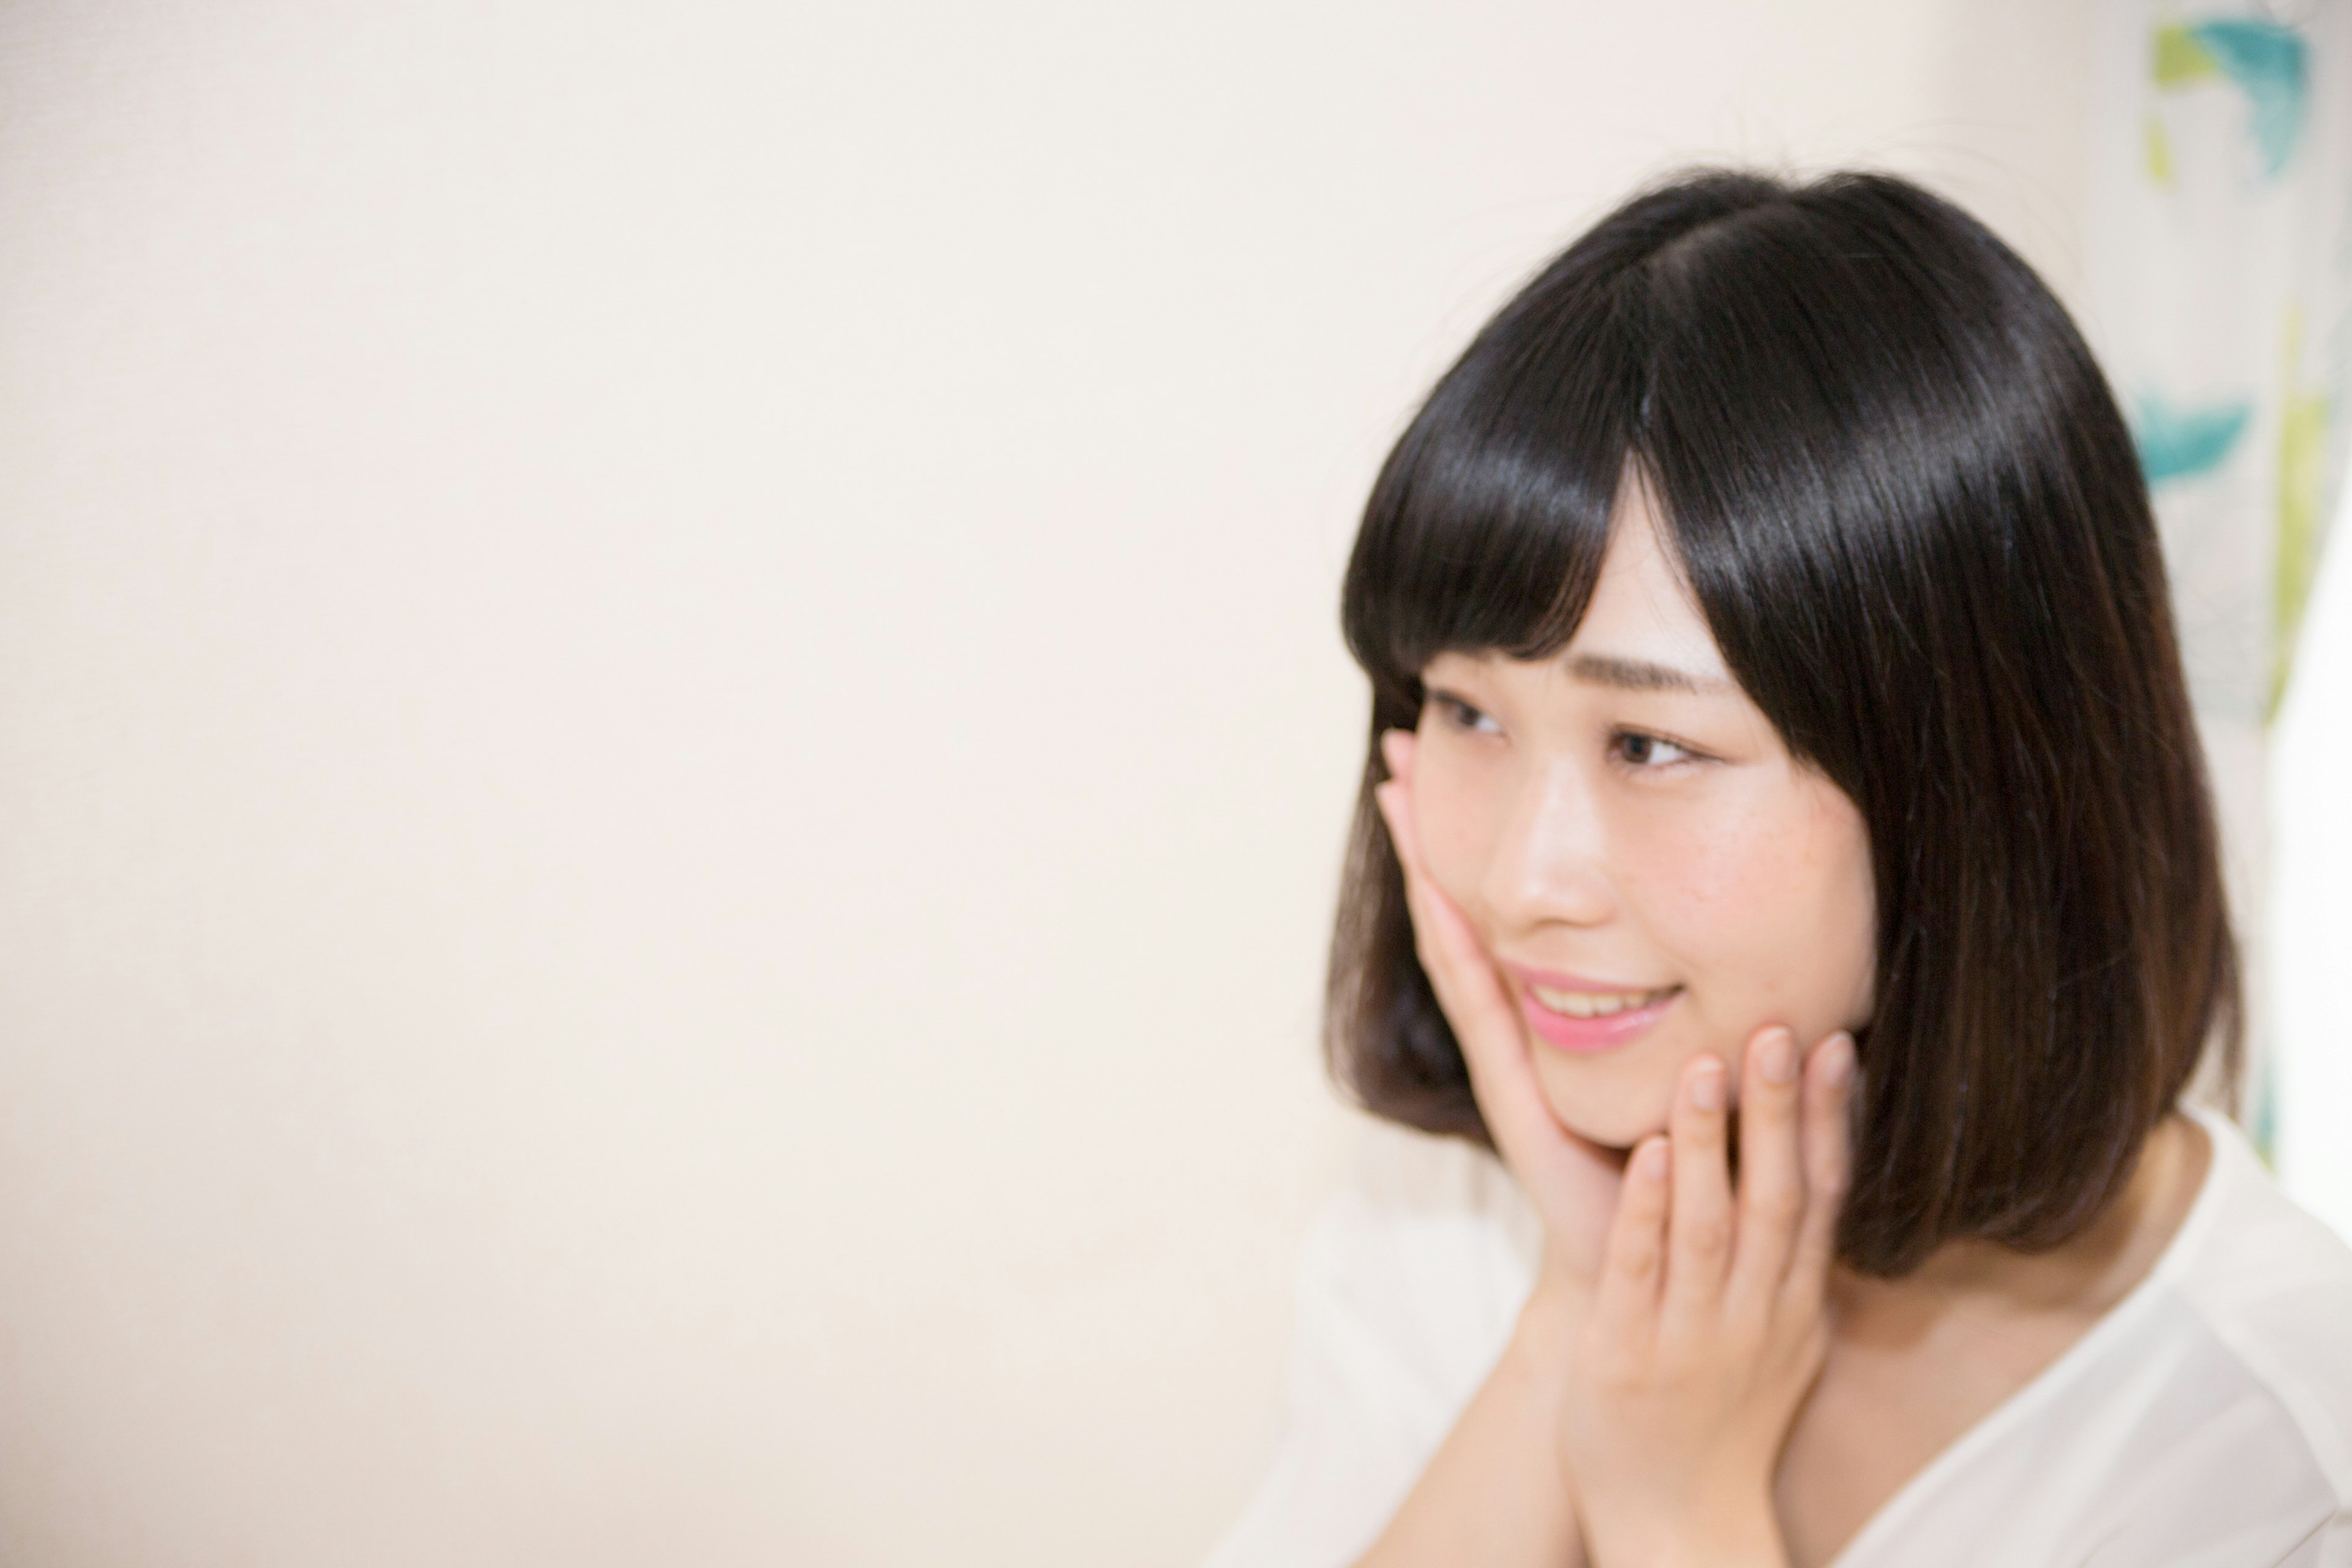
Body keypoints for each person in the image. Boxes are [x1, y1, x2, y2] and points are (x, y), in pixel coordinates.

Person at [1205, 169, 2352, 1568]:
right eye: (1466, 711)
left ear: (1972, 775)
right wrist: (1577, 1303)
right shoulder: (1454, 1206)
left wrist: (1673, 1507)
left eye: (1650, 742)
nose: (1520, 879)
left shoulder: (2281, 1448)